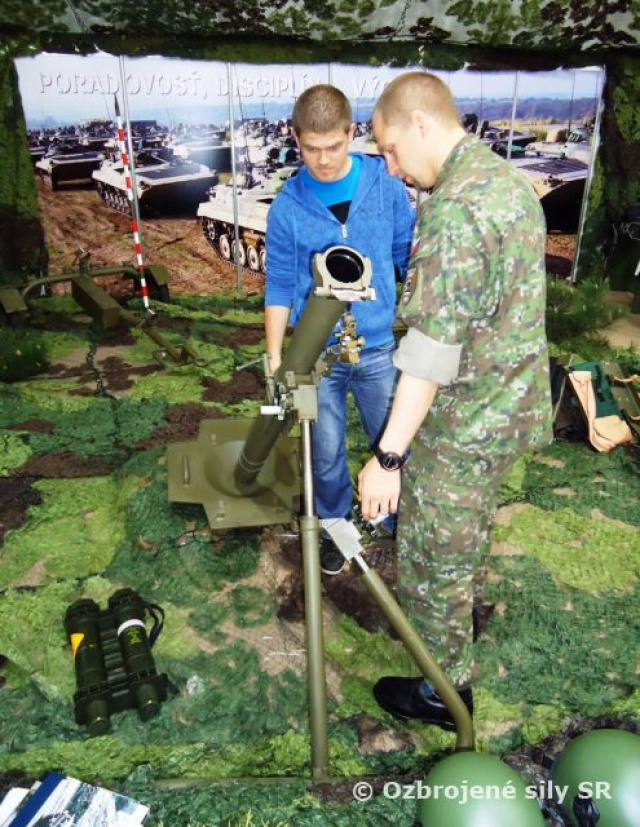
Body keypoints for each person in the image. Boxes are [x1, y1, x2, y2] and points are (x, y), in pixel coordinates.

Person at [357, 71, 552, 731]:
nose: (390, 165)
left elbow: (432, 351)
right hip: (506, 407)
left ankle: (445, 693)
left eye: (387, 149)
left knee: (432, 561)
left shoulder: (458, 203)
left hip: (464, 420)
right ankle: (453, 632)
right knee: (461, 543)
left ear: (418, 123)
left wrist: (387, 456)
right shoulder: (506, 183)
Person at [265, 84, 415, 575]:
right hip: (318, 358)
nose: (323, 160)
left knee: (392, 438)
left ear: (352, 132)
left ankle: (395, 519)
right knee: (324, 453)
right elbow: (281, 286)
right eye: (311, 148)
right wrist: (275, 357)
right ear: (295, 138)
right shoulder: (288, 206)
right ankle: (335, 527)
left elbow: (405, 258)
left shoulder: (387, 187)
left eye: (333, 146)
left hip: (377, 350)